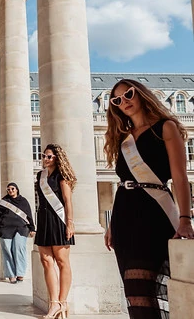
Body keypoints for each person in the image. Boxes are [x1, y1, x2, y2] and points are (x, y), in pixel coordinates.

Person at [103, 79, 194, 318]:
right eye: (117, 100)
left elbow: (180, 178)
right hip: (124, 216)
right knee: (133, 294)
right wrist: (112, 225)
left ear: (141, 93)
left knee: (144, 288)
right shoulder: (123, 138)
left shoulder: (166, 127)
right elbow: (124, 184)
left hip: (152, 214)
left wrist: (185, 218)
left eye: (129, 94)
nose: (124, 102)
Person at [34, 143, 76, 319]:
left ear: (57, 158)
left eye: (49, 156)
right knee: (45, 261)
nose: (45, 159)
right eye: (44, 155)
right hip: (43, 220)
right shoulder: (40, 175)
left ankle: (63, 302)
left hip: (58, 220)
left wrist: (70, 223)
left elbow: (67, 201)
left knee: (62, 261)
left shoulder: (62, 176)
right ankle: (54, 303)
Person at [0, 182, 35, 284]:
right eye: (9, 189)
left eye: (12, 189)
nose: (10, 191)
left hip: (21, 228)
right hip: (5, 228)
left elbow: (29, 215)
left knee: (19, 249)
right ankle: (11, 274)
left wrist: (32, 228)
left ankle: (20, 273)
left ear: (17, 189)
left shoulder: (23, 201)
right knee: (7, 251)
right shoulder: (4, 201)